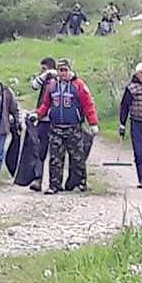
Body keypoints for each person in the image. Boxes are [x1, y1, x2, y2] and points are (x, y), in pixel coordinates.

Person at [33, 59, 99, 194]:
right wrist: (38, 115)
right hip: (56, 127)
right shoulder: (52, 86)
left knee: (77, 158)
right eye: (60, 70)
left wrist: (93, 123)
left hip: (73, 127)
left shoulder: (79, 85)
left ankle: (81, 183)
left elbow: (88, 105)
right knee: (55, 158)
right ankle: (54, 185)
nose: (63, 73)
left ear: (70, 70)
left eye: (65, 70)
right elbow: (46, 104)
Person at [28, 57, 57, 191]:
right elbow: (34, 86)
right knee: (40, 150)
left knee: (56, 153)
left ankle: (55, 183)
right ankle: (37, 179)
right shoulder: (43, 80)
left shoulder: (59, 80)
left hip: (57, 121)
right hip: (43, 119)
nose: (42, 71)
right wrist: (44, 76)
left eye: (44, 69)